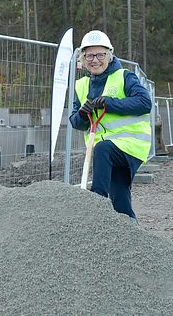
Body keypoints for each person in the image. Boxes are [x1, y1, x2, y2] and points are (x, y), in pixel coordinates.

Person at [69, 30, 152, 219]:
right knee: (120, 200)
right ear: (83, 58)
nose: (95, 60)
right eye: (89, 55)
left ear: (109, 55)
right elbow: (75, 121)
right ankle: (134, 236)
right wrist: (83, 113)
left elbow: (144, 103)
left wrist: (109, 102)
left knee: (103, 148)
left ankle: (96, 202)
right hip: (105, 156)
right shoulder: (81, 85)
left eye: (100, 55)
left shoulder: (125, 77)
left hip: (131, 146)